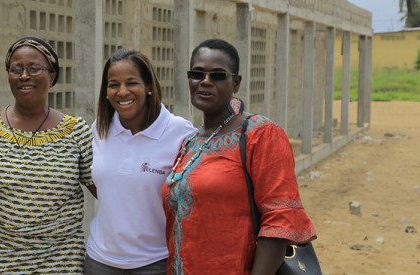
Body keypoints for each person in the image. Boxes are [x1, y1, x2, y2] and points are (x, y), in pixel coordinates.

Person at [162, 38, 317, 275]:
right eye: (197, 74)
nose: (205, 82)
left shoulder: (260, 134)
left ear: (236, 83)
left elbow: (280, 220)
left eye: (218, 75)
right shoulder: (189, 143)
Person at [0, 36, 93, 274]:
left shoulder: (76, 131)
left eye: (34, 68)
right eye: (16, 69)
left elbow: (106, 190)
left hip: (61, 264)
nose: (24, 75)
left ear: (52, 76)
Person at [83, 48, 195, 274]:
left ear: (149, 87)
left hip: (155, 262)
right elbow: (99, 183)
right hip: (99, 261)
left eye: (131, 83)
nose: (122, 92)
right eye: (113, 84)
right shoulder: (100, 129)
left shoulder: (180, 132)